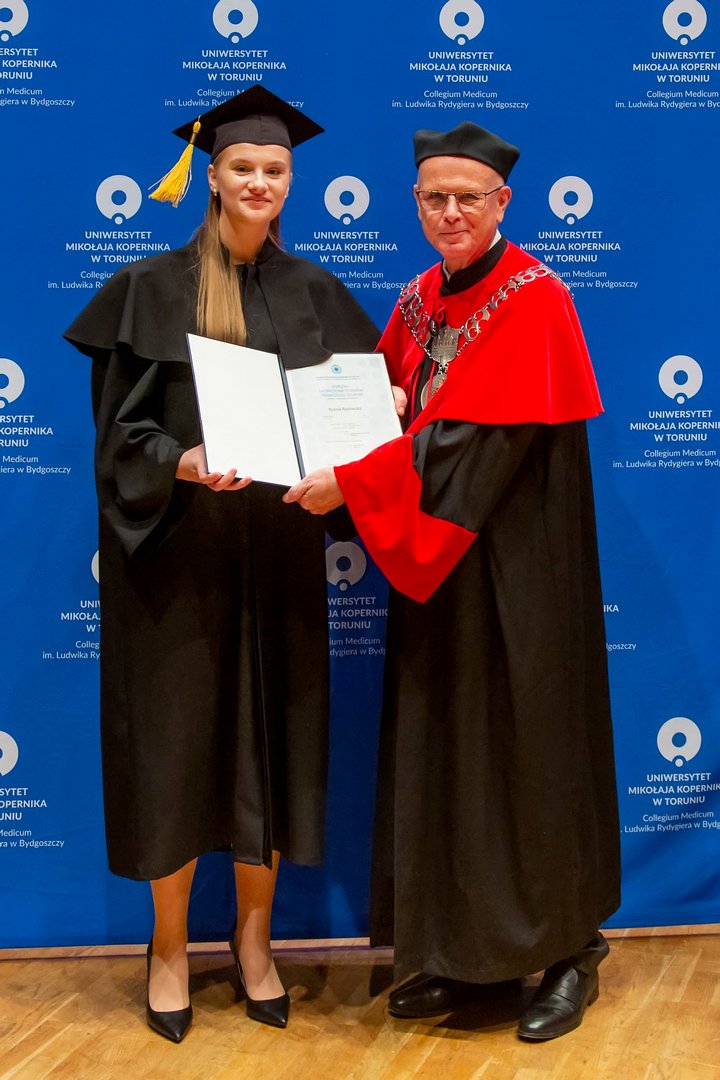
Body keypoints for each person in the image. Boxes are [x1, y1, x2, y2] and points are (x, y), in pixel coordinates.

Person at [284, 120, 621, 1042]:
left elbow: (472, 446)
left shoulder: (535, 299)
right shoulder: (418, 299)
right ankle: (470, 955)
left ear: (502, 202)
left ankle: (568, 950)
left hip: (518, 575)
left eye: (469, 198)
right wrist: (367, 422)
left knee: (528, 755)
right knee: (449, 754)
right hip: (438, 577)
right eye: (435, 197)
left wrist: (356, 480)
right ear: (417, 202)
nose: (451, 212)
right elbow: (381, 410)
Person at [64, 86, 379, 1043]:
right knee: (174, 751)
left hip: (278, 559)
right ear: (212, 176)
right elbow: (118, 440)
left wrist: (351, 461)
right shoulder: (149, 289)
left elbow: (357, 429)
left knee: (270, 747)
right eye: (243, 167)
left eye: (275, 169)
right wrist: (182, 461)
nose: (259, 182)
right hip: (174, 563)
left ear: (291, 180)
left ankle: (254, 941)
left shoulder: (317, 294)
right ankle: (168, 946)